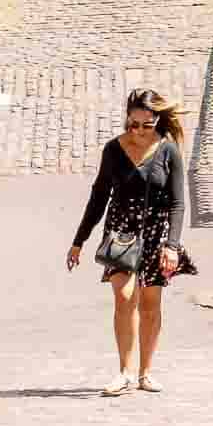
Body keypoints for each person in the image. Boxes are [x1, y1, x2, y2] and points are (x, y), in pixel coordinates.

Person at [67, 88, 197, 396]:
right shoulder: (113, 150)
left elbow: (178, 203)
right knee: (125, 299)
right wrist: (79, 241)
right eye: (133, 123)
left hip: (155, 235)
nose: (138, 130)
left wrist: (172, 245)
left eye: (145, 125)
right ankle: (124, 372)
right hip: (121, 233)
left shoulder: (168, 151)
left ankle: (145, 373)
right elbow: (98, 197)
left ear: (157, 121)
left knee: (150, 306)